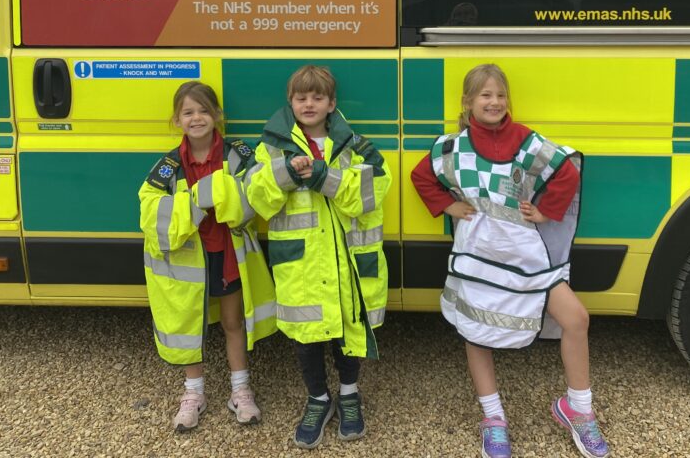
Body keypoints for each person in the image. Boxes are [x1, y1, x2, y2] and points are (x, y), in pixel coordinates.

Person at [410, 63, 610, 458]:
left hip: (529, 255)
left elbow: (567, 171)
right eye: (485, 95)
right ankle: (493, 417)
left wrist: (548, 211)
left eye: (500, 95)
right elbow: (421, 176)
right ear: (468, 102)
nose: (494, 102)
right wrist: (448, 205)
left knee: (577, 319)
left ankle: (578, 409)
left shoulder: (527, 142)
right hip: (477, 257)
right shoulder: (453, 147)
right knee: (475, 330)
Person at [241, 64, 391, 449]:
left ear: (332, 103)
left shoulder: (355, 144)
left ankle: (349, 394)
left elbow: (374, 189)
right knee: (305, 337)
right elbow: (256, 196)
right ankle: (318, 399)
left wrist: (324, 176)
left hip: (345, 266)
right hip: (302, 267)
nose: (309, 103)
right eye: (301, 97)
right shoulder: (272, 147)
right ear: (290, 102)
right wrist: (286, 173)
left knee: (346, 332)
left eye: (318, 97)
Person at [138, 81, 277, 432]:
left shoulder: (239, 155)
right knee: (190, 328)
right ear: (177, 120)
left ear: (218, 116)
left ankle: (240, 391)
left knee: (233, 324)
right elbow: (150, 211)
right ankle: (193, 394)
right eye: (188, 112)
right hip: (187, 264)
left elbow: (258, 197)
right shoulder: (168, 166)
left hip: (228, 254)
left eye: (203, 110)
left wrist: (225, 193)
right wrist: (199, 198)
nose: (196, 118)